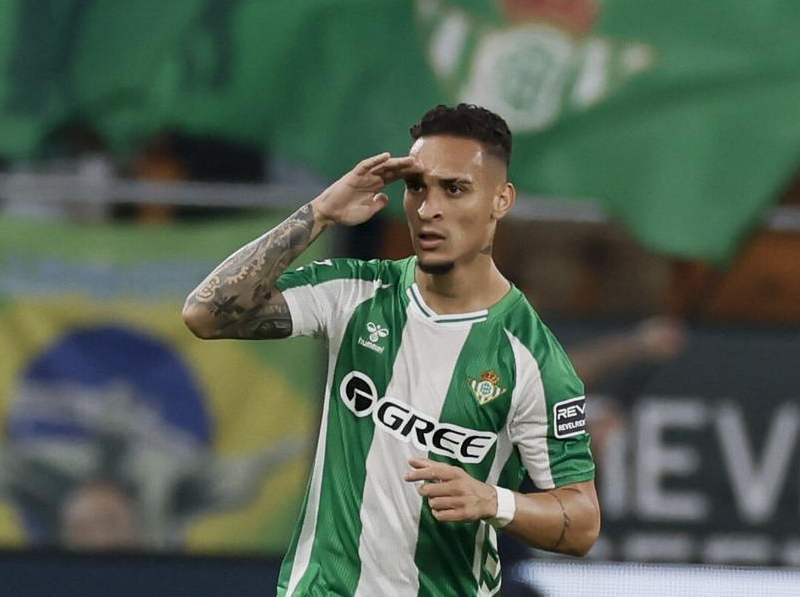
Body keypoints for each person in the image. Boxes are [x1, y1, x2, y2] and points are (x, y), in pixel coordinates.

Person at [183, 104, 599, 596]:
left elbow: (581, 522)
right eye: (417, 187)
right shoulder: (356, 291)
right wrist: (319, 212)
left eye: (455, 188)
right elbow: (205, 314)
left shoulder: (530, 357)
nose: (428, 209)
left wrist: (495, 500)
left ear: (501, 200)